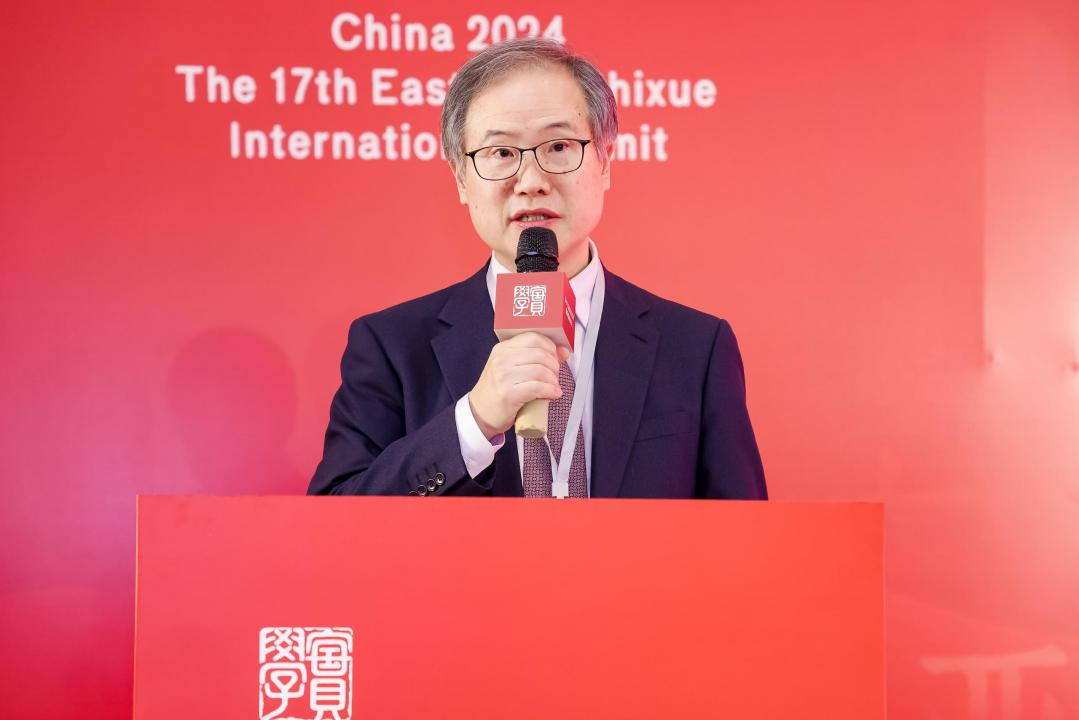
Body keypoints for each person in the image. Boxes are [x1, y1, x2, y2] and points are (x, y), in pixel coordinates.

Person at [309, 38, 766, 499]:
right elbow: (336, 520)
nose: (531, 182)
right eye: (501, 153)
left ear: (605, 162)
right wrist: (473, 421)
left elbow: (744, 532)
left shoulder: (696, 348)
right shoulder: (390, 347)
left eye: (559, 146)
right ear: (460, 179)